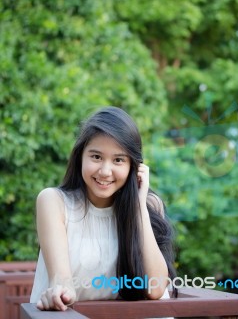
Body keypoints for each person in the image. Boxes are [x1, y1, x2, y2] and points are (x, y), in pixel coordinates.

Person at [30, 106, 177, 313]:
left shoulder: (149, 206)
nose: (105, 171)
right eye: (96, 157)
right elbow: (61, 280)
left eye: (118, 160)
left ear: (133, 167)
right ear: (80, 156)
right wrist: (60, 291)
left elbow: (155, 289)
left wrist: (139, 206)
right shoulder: (54, 202)